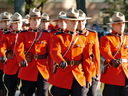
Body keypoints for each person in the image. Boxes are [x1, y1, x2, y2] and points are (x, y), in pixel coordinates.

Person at [48, 7, 92, 96]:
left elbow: (87, 59)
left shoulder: (83, 38)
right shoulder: (58, 37)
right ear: (67, 21)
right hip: (63, 74)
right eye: (72, 21)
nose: (75, 23)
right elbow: (55, 52)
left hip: (79, 75)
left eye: (76, 21)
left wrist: (89, 78)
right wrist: (61, 62)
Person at [15, 8, 51, 96]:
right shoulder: (23, 34)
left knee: (43, 93)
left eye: (38, 19)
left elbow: (51, 52)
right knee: (27, 93)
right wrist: (22, 60)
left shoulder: (46, 34)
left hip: (43, 69)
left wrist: (51, 70)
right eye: (34, 19)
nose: (36, 22)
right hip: (28, 68)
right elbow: (18, 49)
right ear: (29, 20)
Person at [100, 12, 128, 96]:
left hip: (126, 74)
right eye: (119, 24)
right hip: (112, 75)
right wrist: (112, 60)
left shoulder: (126, 38)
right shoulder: (106, 38)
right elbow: (105, 51)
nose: (121, 25)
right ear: (113, 25)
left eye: (123, 23)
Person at [77, 9, 100, 96]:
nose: (81, 23)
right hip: (79, 70)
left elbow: (97, 55)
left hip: (91, 70)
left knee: (92, 94)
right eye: (79, 21)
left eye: (83, 21)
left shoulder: (92, 34)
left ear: (85, 21)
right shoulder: (72, 35)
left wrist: (97, 72)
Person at [0, 12, 22, 96]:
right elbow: (2, 47)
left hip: (23, 65)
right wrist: (2, 55)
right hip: (10, 64)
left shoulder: (25, 34)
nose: (6, 23)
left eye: (7, 21)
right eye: (4, 21)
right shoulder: (7, 35)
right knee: (9, 89)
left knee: (26, 89)